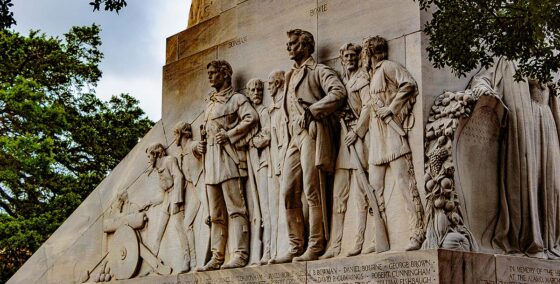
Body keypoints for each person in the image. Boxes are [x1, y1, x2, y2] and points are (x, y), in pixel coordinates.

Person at [269, 29, 347, 264]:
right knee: (287, 192)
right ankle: (295, 245)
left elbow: (339, 92)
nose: (288, 47)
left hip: (312, 133)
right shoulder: (290, 75)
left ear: (305, 46)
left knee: (312, 190)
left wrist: (313, 111)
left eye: (293, 44)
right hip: (294, 137)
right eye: (288, 44)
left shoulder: (319, 70)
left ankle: (316, 243)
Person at [471, 58, 560, 259]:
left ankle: (551, 240)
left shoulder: (548, 60)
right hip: (524, 124)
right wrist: (482, 89)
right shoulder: (508, 59)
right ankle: (532, 241)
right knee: (526, 180)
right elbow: (483, 78)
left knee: (553, 184)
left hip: (547, 122)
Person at [361, 36, 424, 251]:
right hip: (377, 139)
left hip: (393, 134)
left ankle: (417, 231)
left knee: (405, 185)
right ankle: (376, 238)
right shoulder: (372, 75)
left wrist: (392, 108)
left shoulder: (388, 66)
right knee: (374, 189)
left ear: (370, 52)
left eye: (365, 52)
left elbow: (409, 84)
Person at [194, 60, 259, 271]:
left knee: (236, 209)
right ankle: (217, 256)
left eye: (214, 73)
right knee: (215, 214)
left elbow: (251, 117)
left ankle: (239, 253)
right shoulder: (210, 103)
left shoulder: (237, 99)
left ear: (225, 74)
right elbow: (205, 130)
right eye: (209, 73)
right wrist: (200, 144)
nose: (210, 77)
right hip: (211, 161)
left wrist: (230, 134)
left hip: (229, 159)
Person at [320, 43, 373, 259]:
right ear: (341, 59)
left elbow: (369, 106)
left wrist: (359, 131)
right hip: (344, 142)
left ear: (358, 58)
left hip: (359, 140)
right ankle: (335, 245)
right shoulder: (341, 82)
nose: (350, 58)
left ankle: (360, 241)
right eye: (346, 56)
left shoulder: (363, 80)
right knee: (339, 196)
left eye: (353, 55)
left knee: (362, 195)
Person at [145, 142, 190, 272]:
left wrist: (177, 200)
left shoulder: (169, 160)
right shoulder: (157, 169)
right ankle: (153, 263)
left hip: (176, 197)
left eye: (149, 156)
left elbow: (179, 177)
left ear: (156, 154)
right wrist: (148, 203)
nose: (148, 160)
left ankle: (187, 259)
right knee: (159, 231)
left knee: (179, 227)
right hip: (167, 199)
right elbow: (163, 193)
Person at [245, 78, 272, 265]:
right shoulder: (248, 114)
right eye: (252, 90)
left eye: (259, 89)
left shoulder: (263, 111)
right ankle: (256, 251)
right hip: (251, 167)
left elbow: (268, 135)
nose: (256, 93)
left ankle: (268, 250)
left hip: (264, 164)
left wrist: (253, 141)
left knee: (266, 210)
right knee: (256, 211)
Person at [173, 121, 208, 270]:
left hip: (201, 184)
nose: (174, 137)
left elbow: (198, 147)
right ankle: (193, 261)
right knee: (187, 223)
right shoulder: (181, 153)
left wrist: (202, 145)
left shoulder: (192, 145)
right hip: (193, 188)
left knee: (211, 216)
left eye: (175, 133)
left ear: (182, 133)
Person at [266, 70, 288, 262]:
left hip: (286, 158)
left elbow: (286, 137)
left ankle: (288, 248)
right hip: (275, 162)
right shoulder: (272, 109)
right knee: (277, 208)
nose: (268, 87)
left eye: (271, 83)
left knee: (288, 204)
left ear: (280, 84)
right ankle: (277, 251)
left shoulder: (285, 106)